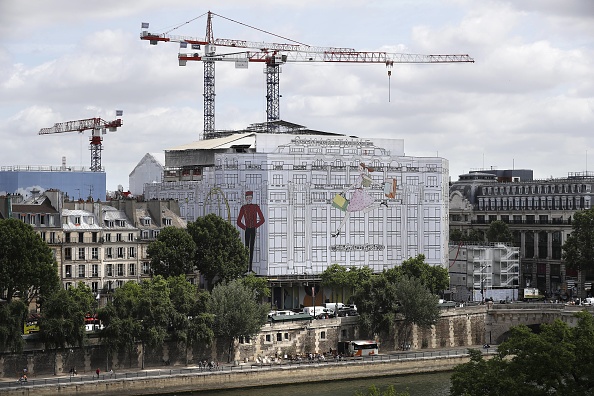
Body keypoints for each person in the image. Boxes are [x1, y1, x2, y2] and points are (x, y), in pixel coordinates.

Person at [331, 163, 388, 237]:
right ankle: (381, 204)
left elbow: (371, 180)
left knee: (348, 212)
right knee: (364, 211)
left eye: (360, 168)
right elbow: (353, 185)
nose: (359, 169)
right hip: (357, 194)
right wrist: (345, 191)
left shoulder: (363, 175)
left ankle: (337, 231)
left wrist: (380, 185)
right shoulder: (359, 177)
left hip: (358, 195)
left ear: (363, 169)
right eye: (358, 168)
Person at [237, 190, 265, 272]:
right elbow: (238, 221)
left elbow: (262, 219)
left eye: (250, 197)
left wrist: (255, 226)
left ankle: (250, 268)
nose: (248, 199)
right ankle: (246, 268)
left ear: (252, 198)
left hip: (253, 229)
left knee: (252, 248)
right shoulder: (243, 208)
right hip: (247, 229)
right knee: (246, 248)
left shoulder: (256, 207)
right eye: (247, 198)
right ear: (246, 199)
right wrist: (244, 227)